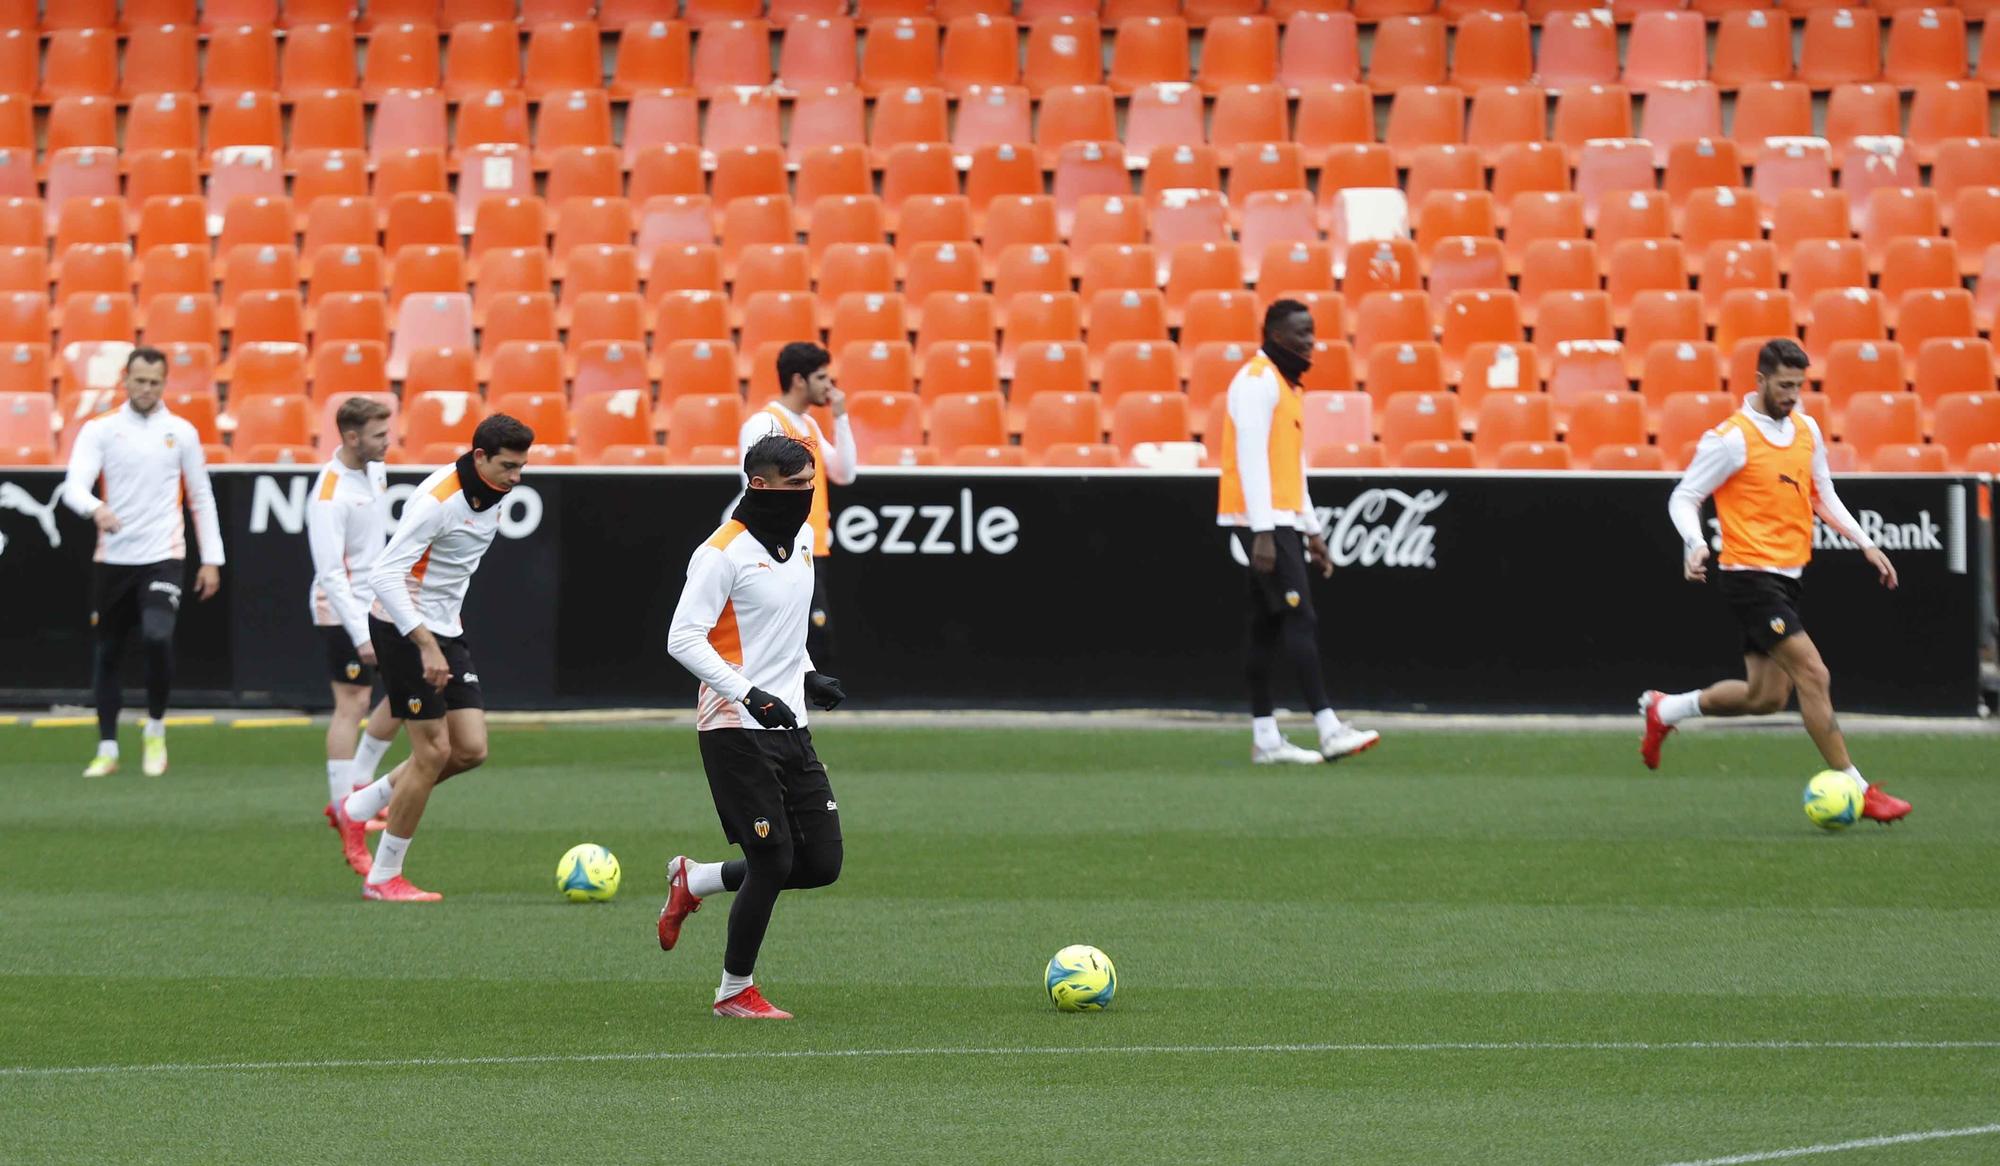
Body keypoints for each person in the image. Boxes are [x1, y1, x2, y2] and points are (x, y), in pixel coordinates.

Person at [1640, 338, 1912, 823]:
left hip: (1787, 578)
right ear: (1761, 381)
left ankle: (1665, 710)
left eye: (1799, 386)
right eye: (1784, 385)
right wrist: (1694, 543)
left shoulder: (1805, 428)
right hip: (1749, 577)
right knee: (1814, 674)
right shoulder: (1731, 438)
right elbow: (1684, 496)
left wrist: (1865, 543)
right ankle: (1860, 789)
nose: (1792, 395)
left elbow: (1821, 493)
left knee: (1765, 697)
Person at [659, 434, 847, 1020]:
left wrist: (809, 673)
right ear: (760, 486)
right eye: (796, 486)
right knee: (771, 860)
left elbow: (784, 630)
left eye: (811, 483)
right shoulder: (721, 553)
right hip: (734, 724)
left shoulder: (803, 541)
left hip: (789, 719)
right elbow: (682, 638)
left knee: (819, 865)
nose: (807, 494)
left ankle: (697, 880)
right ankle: (734, 991)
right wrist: (749, 692)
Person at [326, 415, 534, 900]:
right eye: (508, 466)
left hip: (443, 630)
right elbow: (383, 577)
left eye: (522, 466)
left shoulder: (492, 489)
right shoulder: (438, 502)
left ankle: (356, 809)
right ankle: (383, 878)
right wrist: (425, 645)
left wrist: (439, 639)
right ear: (480, 457)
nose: (517, 477)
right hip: (404, 630)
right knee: (432, 752)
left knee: (470, 751)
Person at [1215, 300, 1379, 766]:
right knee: (1299, 618)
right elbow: (1250, 458)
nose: (1309, 341)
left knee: (1265, 626)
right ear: (1273, 334)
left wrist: (1311, 529)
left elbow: (1290, 465)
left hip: (1279, 520)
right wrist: (1264, 532)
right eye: (1299, 333)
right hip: (1260, 523)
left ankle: (1266, 739)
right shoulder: (1256, 382)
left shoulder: (1285, 387)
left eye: (1312, 332)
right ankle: (1328, 728)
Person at [61, 346, 223, 778]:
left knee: (156, 636)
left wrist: (212, 559)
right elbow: (73, 487)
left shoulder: (181, 432)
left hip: (163, 556)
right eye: (140, 380)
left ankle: (154, 728)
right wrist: (96, 508)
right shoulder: (101, 430)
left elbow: (201, 497)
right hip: (113, 558)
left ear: (164, 383)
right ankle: (108, 747)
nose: (147, 388)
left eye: (155, 381)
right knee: (108, 652)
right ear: (125, 380)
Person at [307, 397, 400, 866]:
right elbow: (330, 573)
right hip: (343, 611)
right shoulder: (328, 496)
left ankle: (357, 787)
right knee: (351, 704)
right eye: (380, 435)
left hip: (378, 602)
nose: (389, 442)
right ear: (350, 437)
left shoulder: (374, 471)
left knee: (408, 691)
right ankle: (345, 806)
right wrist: (359, 632)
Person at [734, 342, 856, 666]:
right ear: (799, 380)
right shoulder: (765, 423)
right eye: (822, 377)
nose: (829, 386)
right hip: (779, 548)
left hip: (808, 547)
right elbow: (753, 488)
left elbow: (844, 472)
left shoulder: (809, 424)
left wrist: (840, 417)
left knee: (812, 638)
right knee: (793, 638)